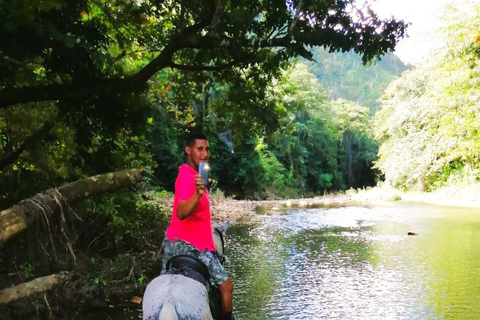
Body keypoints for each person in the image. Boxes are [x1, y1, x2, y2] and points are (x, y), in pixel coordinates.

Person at [161, 131, 234, 320]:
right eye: (199, 149)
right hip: (194, 246)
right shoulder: (189, 178)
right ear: (188, 150)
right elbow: (181, 212)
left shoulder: (188, 174)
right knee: (226, 287)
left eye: (206, 149)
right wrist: (198, 194)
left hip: (172, 245)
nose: (204, 153)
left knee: (162, 282)